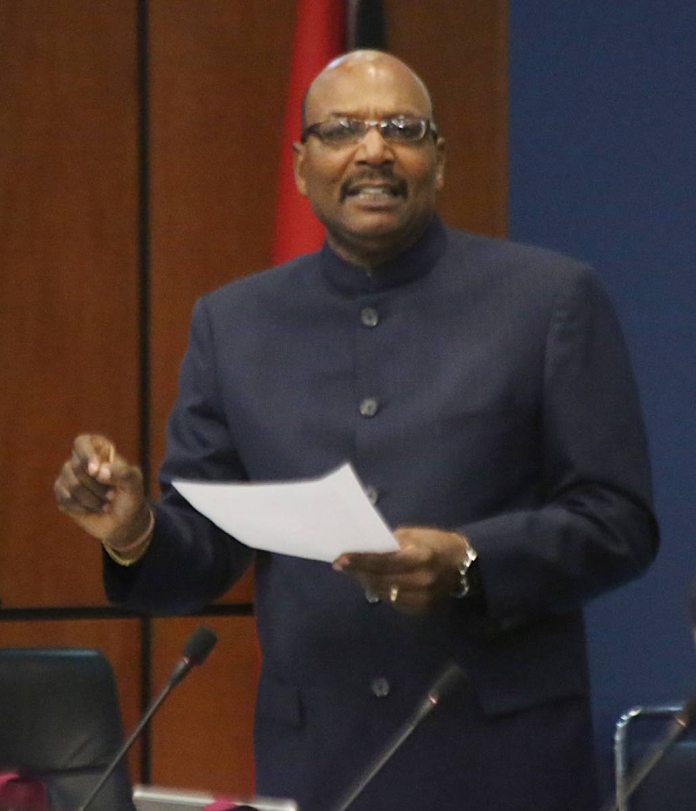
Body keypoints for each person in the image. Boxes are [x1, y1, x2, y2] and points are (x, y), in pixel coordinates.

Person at [54, 50, 658, 810]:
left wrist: (470, 561)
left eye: (402, 128)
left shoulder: (550, 301)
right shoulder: (234, 324)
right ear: (302, 167)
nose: (374, 150)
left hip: (501, 763)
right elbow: (204, 549)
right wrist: (135, 530)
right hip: (320, 762)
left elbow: (618, 521)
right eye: (341, 130)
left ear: (440, 160)